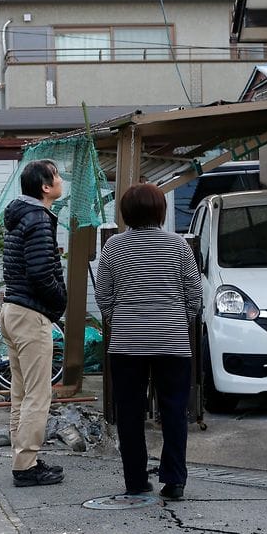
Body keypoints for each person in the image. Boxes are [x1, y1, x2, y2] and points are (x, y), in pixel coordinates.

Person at [95, 183, 203, 500]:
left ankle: (136, 481)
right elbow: (194, 294)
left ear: (126, 213)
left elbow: (103, 296)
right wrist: (177, 322)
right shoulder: (179, 246)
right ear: (160, 210)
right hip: (172, 342)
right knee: (173, 410)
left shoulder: (113, 247)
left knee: (129, 412)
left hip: (127, 343)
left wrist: (120, 320)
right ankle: (174, 481)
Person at [0, 159, 68, 487]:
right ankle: (26, 467)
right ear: (45, 186)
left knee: (21, 392)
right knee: (38, 395)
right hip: (30, 315)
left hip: (12, 309)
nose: (60, 180)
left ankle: (23, 459)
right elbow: (42, 272)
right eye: (56, 176)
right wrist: (60, 302)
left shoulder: (19, 215)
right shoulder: (39, 218)